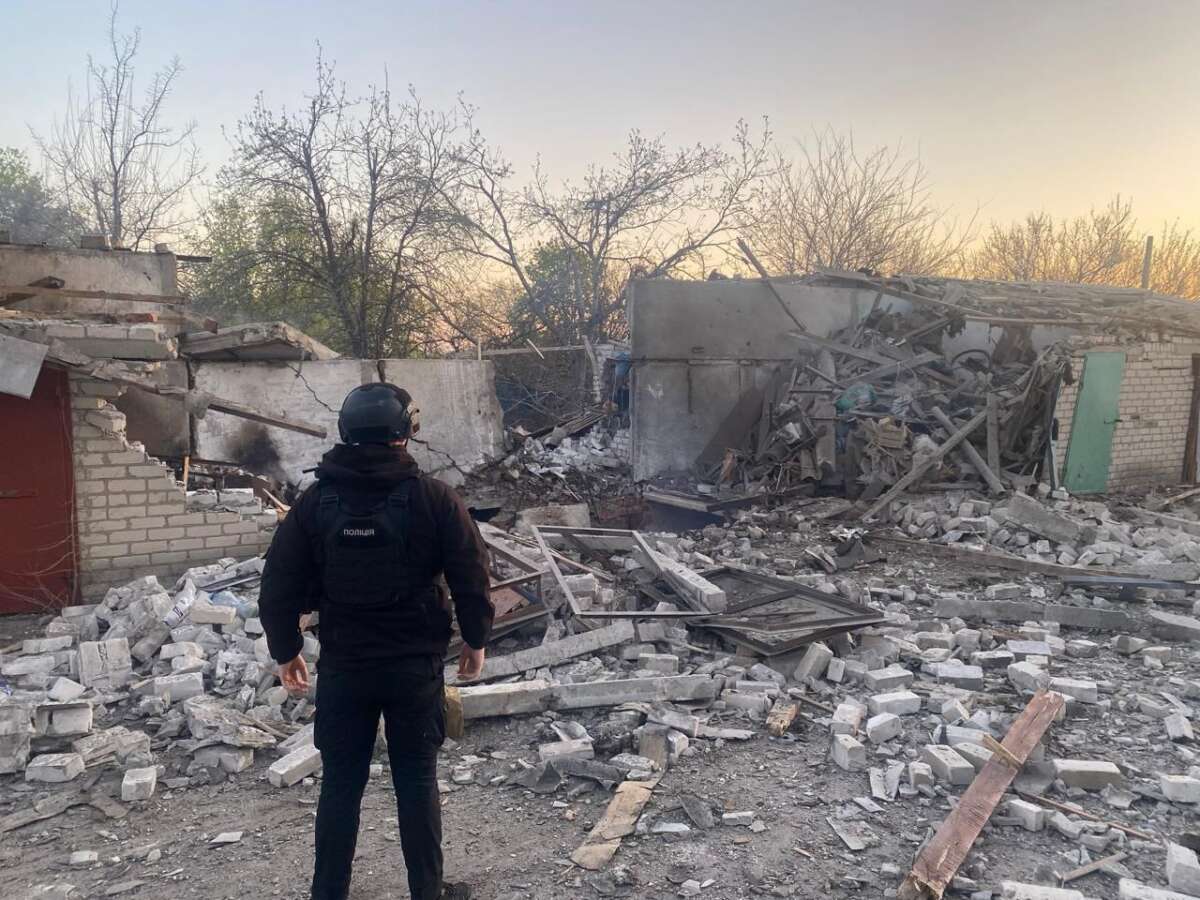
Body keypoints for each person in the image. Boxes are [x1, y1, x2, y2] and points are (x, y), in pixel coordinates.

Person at [259, 382, 494, 900]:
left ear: (346, 431)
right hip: (414, 668)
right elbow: (472, 572)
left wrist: (286, 650)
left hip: (345, 668)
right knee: (416, 781)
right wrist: (476, 639)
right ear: (406, 432)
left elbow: (278, 582)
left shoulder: (316, 502)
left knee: (341, 785)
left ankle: (328, 893)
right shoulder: (435, 498)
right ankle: (427, 892)